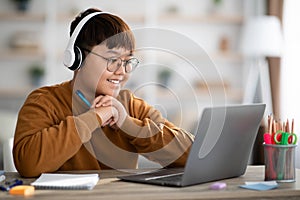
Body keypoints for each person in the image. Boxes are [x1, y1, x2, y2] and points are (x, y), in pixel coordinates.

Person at [13, 8, 194, 178]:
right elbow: (28, 164)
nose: (122, 70)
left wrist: (128, 124)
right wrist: (95, 117)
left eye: (127, 61)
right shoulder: (44, 102)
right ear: (77, 58)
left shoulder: (130, 105)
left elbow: (192, 154)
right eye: (112, 59)